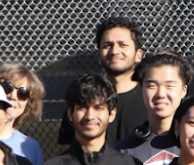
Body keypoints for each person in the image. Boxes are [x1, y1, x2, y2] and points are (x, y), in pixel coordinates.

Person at [57, 17, 149, 148]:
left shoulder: (150, 100)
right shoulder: (82, 97)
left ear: (138, 54)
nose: (115, 51)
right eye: (107, 46)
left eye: (123, 45)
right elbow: (68, 150)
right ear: (99, 56)